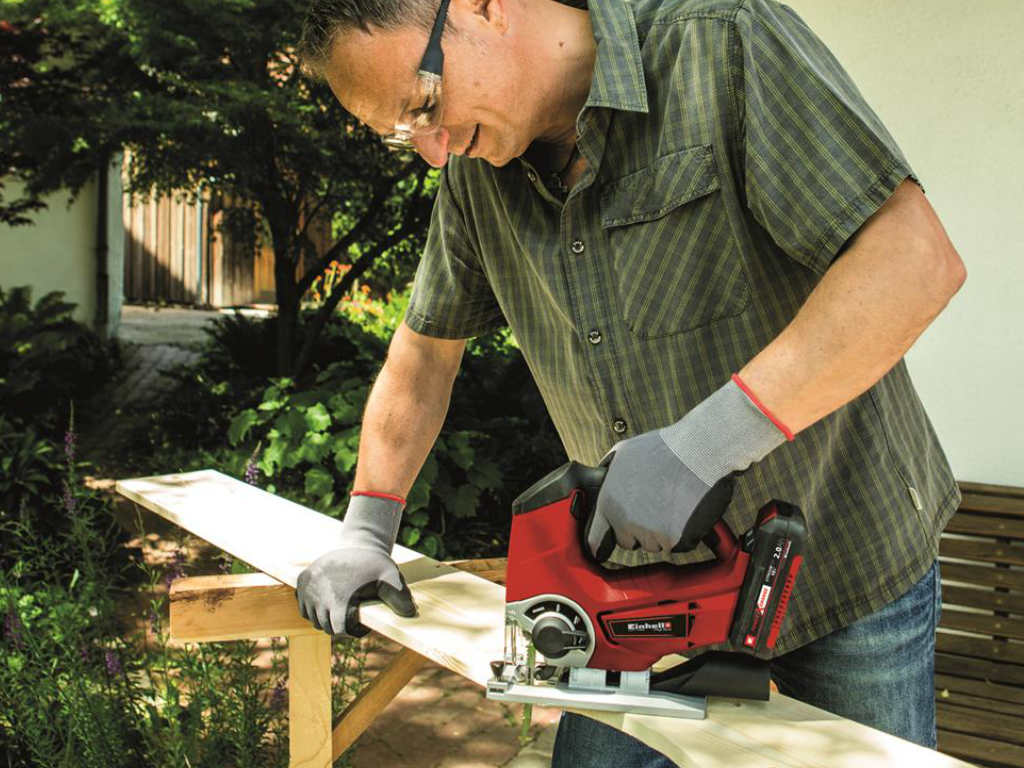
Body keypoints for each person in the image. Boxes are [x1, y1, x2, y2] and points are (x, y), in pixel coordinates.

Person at [293, 0, 967, 763]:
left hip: (840, 567)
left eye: (424, 105)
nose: (433, 151)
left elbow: (914, 264)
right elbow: (422, 358)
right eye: (401, 133)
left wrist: (703, 447)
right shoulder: (479, 170)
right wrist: (367, 527)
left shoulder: (719, 42)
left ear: (484, 7)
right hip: (639, 596)